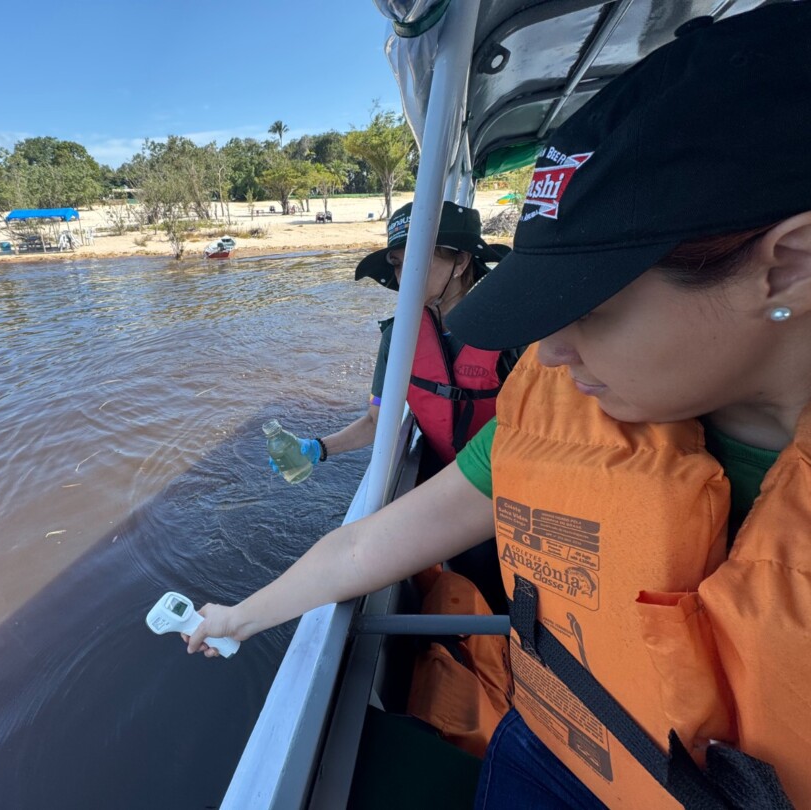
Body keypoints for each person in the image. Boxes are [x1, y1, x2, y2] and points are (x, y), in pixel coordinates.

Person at [186, 5, 811, 808]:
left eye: (589, 306)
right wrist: (239, 615)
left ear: (788, 265)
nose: (548, 354)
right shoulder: (564, 409)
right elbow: (361, 550)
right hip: (551, 746)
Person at [274, 202, 518, 483]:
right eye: (398, 264)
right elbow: (377, 421)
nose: (403, 278)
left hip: (505, 477)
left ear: (460, 262)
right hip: (443, 473)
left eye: (416, 261)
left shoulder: (510, 334)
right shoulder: (398, 337)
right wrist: (317, 448)